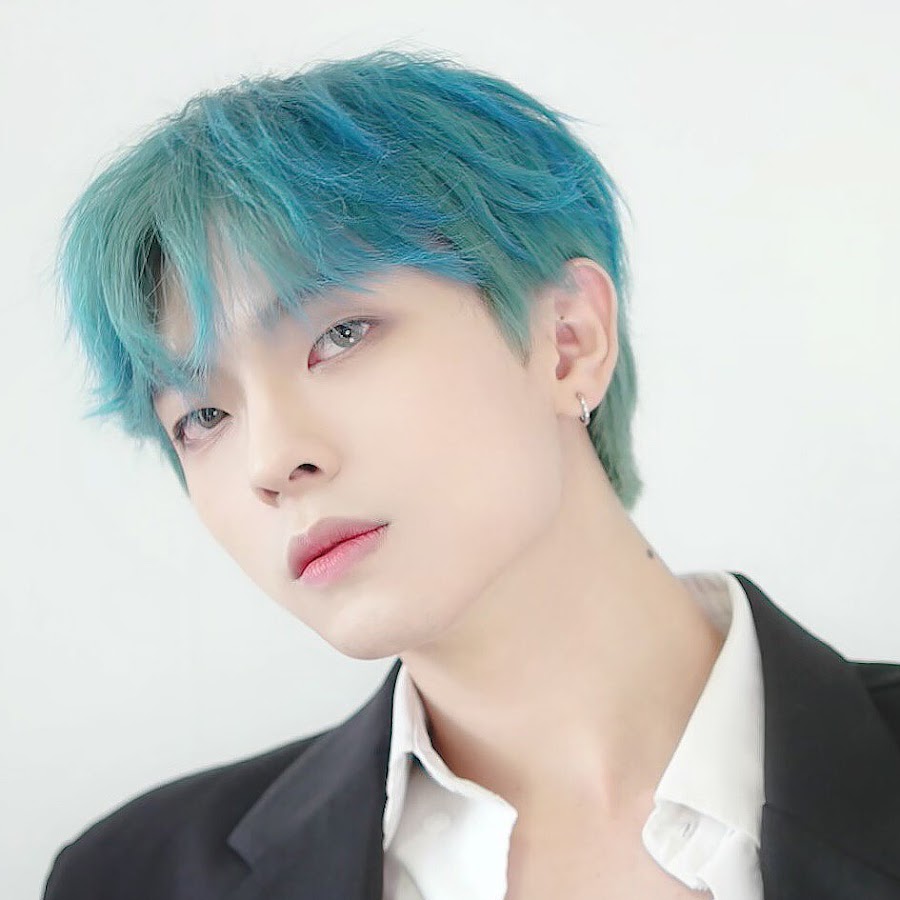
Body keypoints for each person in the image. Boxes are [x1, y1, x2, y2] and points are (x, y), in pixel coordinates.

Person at [43, 47, 900, 900]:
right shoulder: (132, 879)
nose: (271, 463)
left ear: (568, 341)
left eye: (340, 335)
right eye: (202, 416)